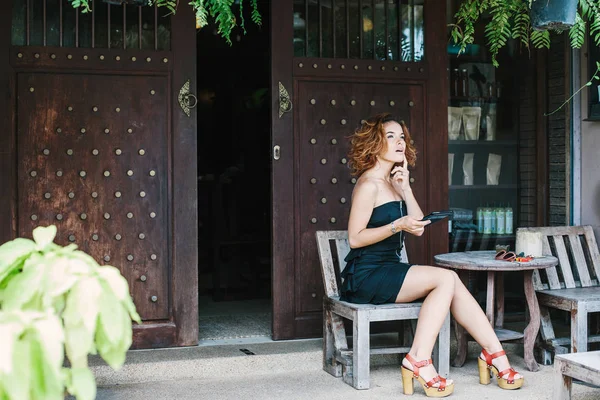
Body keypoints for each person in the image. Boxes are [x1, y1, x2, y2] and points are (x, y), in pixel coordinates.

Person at [342, 113, 523, 397]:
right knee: (446, 279)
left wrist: (407, 189)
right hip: (368, 275)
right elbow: (355, 239)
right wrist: (395, 225)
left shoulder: (392, 183)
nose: (399, 142)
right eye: (391, 136)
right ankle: (421, 359)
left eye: (402, 136)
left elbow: (418, 229)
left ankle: (494, 354)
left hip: (389, 269)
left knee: (448, 281)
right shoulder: (368, 185)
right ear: (375, 144)